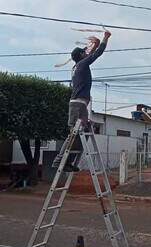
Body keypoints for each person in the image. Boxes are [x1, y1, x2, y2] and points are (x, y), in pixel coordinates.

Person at [52, 31, 111, 172]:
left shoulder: (78, 65)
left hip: (81, 105)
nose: (86, 53)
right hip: (77, 105)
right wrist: (105, 38)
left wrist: (94, 44)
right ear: (81, 56)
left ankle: (69, 162)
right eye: (84, 53)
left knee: (81, 133)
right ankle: (59, 161)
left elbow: (90, 53)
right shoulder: (82, 64)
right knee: (73, 133)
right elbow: (96, 54)